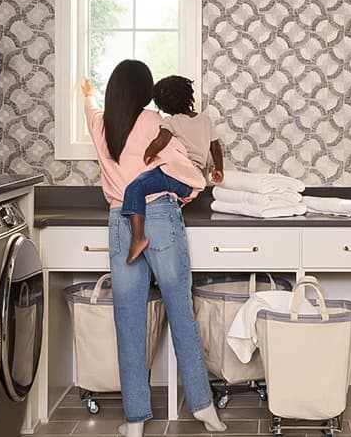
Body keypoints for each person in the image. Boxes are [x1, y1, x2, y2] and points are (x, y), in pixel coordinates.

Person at [82, 60, 226, 437]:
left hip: (120, 220)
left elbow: (90, 108)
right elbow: (184, 168)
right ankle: (204, 407)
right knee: (181, 311)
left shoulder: (100, 124)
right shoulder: (152, 122)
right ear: (145, 92)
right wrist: (189, 193)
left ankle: (134, 421)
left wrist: (87, 94)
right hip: (159, 214)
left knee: (128, 319)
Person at [120, 75, 224, 265]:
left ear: (164, 106)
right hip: (192, 181)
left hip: (178, 176)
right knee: (158, 195)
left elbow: (160, 141)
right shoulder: (205, 121)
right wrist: (219, 169)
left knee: (135, 188)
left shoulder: (171, 122)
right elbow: (215, 147)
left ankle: (138, 238)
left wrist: (148, 153)